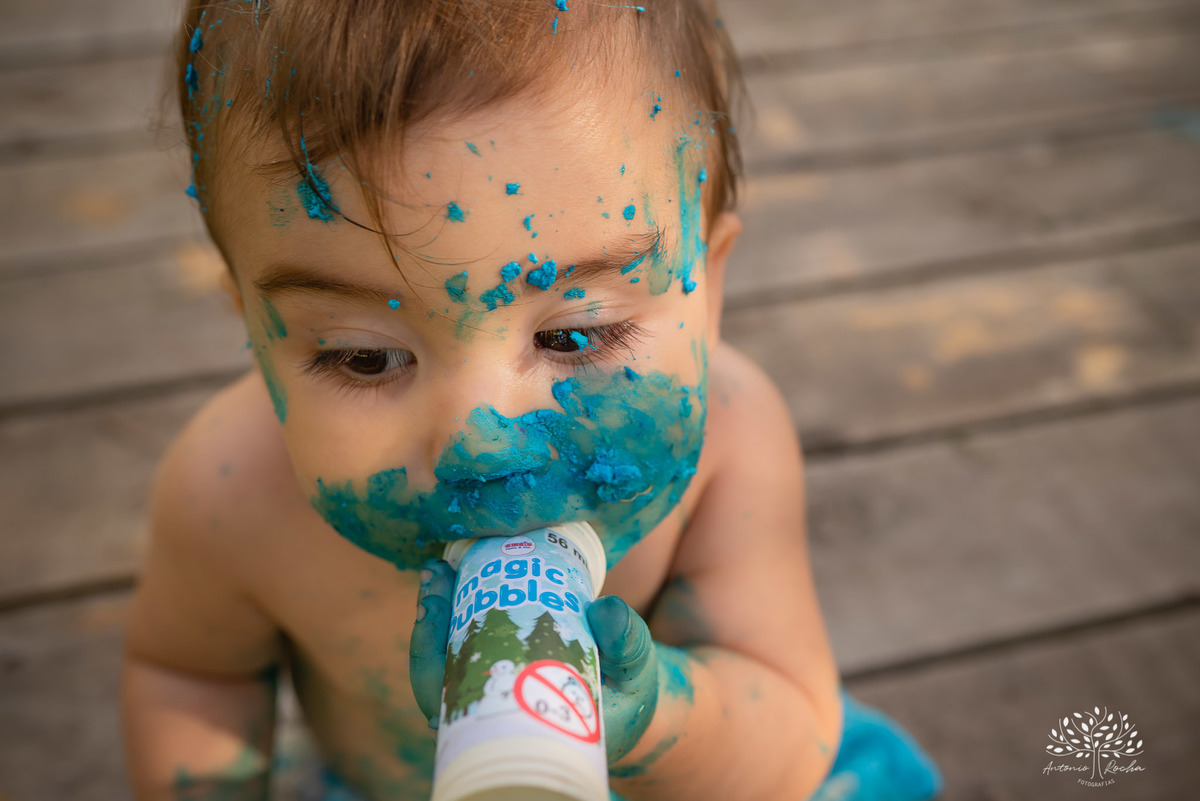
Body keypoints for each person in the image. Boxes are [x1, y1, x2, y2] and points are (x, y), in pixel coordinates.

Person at [121, 2, 942, 800]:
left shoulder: (734, 445)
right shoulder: (228, 492)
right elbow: (190, 676)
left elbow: (788, 736)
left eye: (575, 336)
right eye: (365, 356)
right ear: (254, 328)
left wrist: (655, 724)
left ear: (711, 280)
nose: (484, 442)